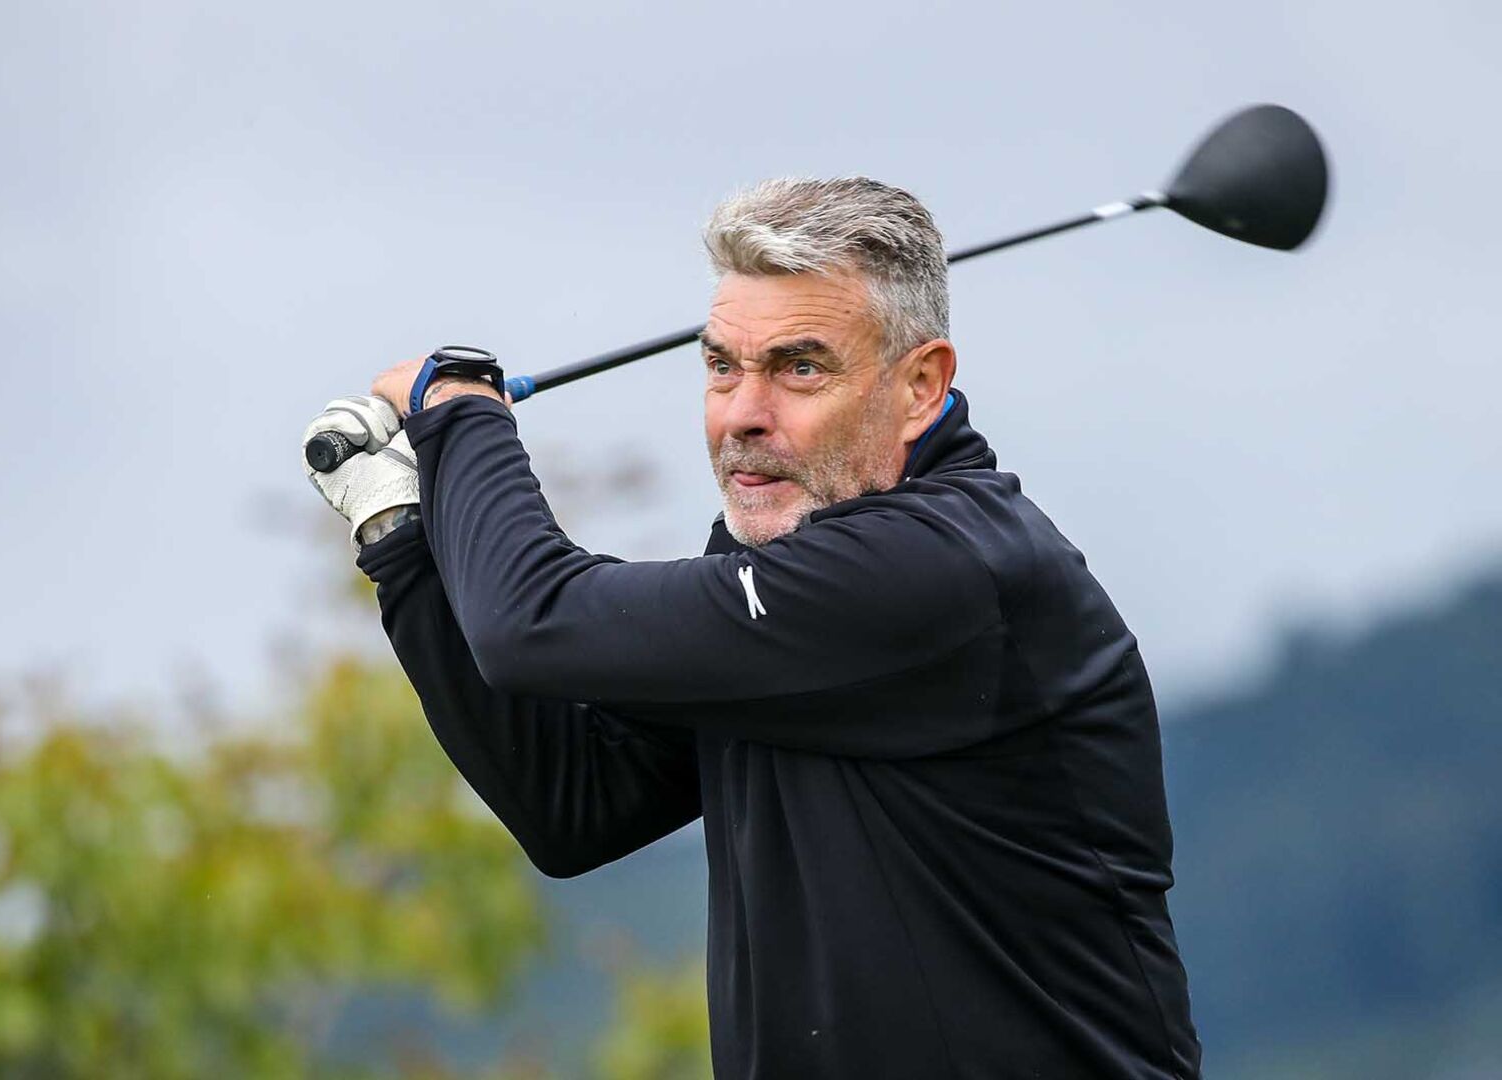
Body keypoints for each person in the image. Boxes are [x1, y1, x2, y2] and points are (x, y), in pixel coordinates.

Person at [303, 177, 1202, 1079]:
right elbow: (573, 804)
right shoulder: (793, 565)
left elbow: (530, 623)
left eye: (799, 368)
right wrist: (404, 542)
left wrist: (461, 412)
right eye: (722, 367)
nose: (742, 415)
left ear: (920, 386)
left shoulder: (942, 567)